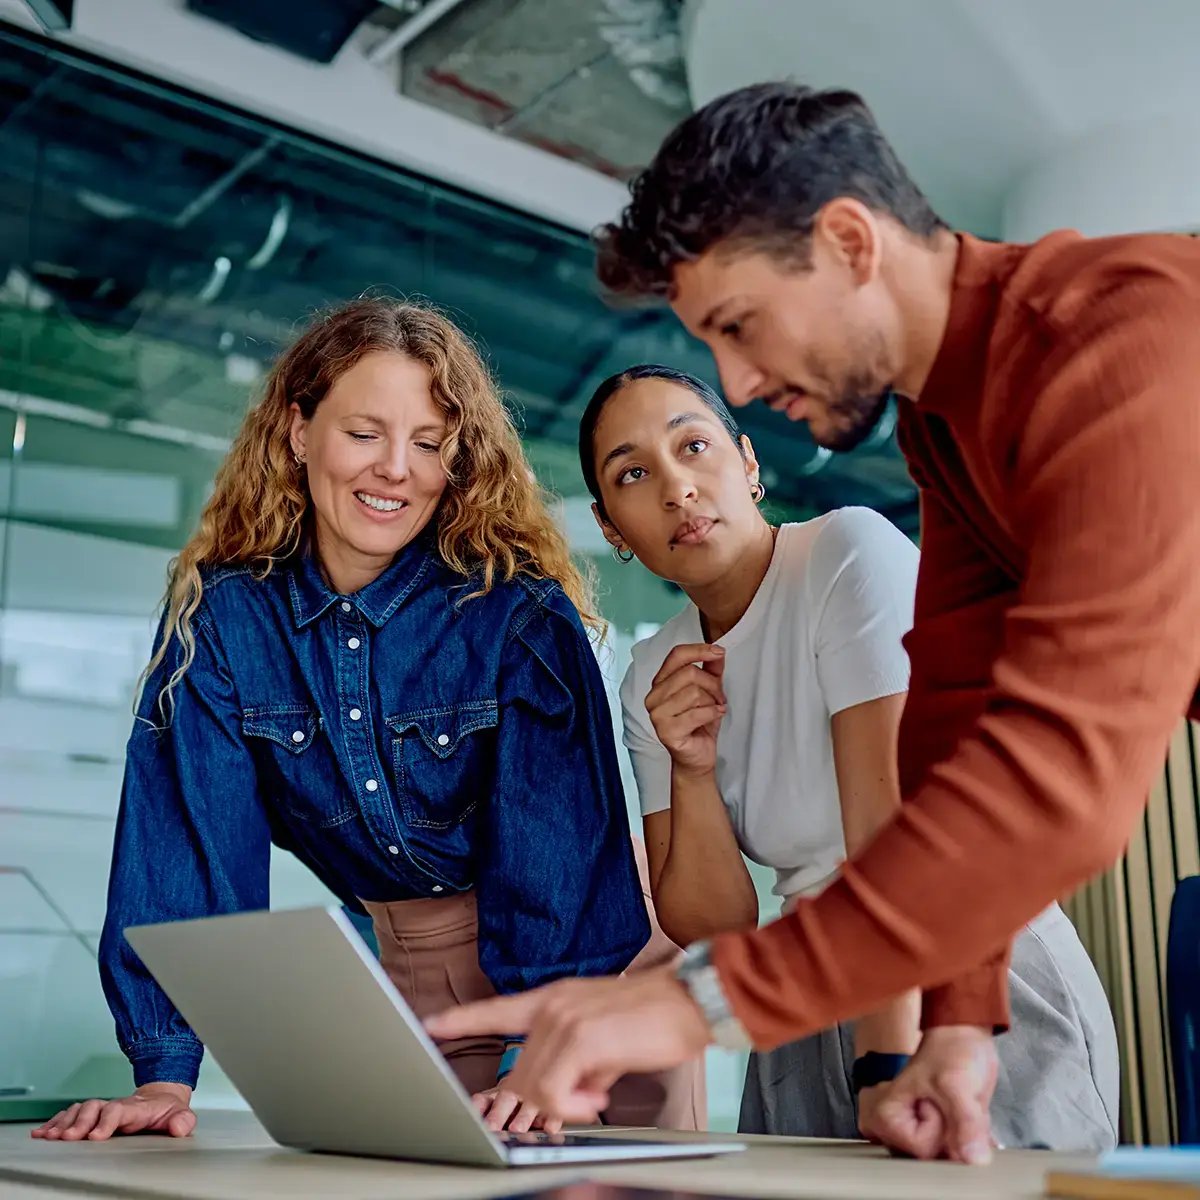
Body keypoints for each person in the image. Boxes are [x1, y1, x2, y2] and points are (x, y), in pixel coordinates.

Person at [427, 81, 1200, 1163]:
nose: (739, 380)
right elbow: (945, 738)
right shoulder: (947, 429)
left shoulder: (1114, 338)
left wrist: (691, 1007)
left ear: (847, 241)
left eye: (739, 328)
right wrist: (962, 1019)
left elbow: (1066, 770)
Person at [31, 298, 702, 1143]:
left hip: (589, 967)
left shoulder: (517, 618)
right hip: (411, 967)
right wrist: (165, 1077)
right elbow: (188, 845)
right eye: (363, 434)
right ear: (297, 431)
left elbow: (557, 855)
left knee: (608, 1182)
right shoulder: (225, 621)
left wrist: (541, 1047)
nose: (396, 469)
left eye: (428, 444)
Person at [575, 362, 1116, 1149]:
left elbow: (889, 844)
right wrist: (690, 768)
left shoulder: (846, 555)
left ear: (749, 463)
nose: (675, 489)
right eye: (633, 473)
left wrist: (885, 1063)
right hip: (807, 1000)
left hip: (963, 977)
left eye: (693, 447)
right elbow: (716, 925)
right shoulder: (652, 674)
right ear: (612, 526)